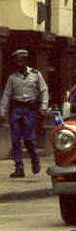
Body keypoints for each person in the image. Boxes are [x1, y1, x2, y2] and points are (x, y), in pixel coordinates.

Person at [0, 49, 49, 178]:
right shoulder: (12, 77)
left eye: (22, 59)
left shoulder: (35, 74)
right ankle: (19, 168)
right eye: (17, 60)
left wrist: (43, 106)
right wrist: (2, 112)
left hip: (30, 109)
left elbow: (44, 90)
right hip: (17, 109)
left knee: (28, 138)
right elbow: (6, 95)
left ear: (26, 60)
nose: (19, 62)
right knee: (15, 139)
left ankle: (34, 158)